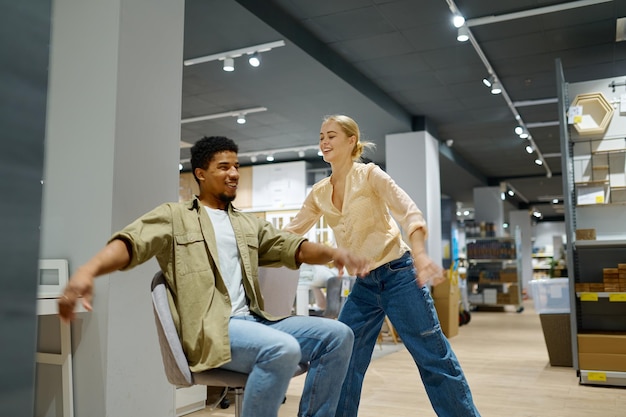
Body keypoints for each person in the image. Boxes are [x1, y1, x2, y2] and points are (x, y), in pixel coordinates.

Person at [58, 136, 371, 417]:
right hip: (212, 330)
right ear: (200, 173)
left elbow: (295, 247)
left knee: (339, 335)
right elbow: (130, 243)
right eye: (224, 166)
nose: (234, 173)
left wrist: (335, 253)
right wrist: (87, 271)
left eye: (236, 165)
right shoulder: (174, 216)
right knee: (283, 349)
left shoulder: (248, 225)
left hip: (256, 322)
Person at [284, 115, 481, 417]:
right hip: (364, 285)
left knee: (433, 359)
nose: (324, 141)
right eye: (321, 135)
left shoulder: (371, 175)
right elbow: (291, 232)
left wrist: (420, 254)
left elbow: (410, 214)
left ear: (352, 141)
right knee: (344, 357)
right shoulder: (320, 192)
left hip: (399, 276)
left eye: (332, 135)